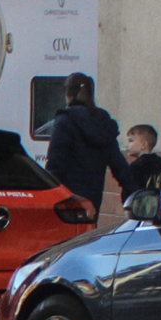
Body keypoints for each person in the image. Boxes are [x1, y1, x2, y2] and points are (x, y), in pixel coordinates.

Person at [43, 73, 134, 214]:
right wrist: (134, 192)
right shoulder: (102, 123)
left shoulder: (65, 121)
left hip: (67, 199)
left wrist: (49, 195)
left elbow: (55, 163)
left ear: (68, 95)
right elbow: (119, 165)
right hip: (93, 200)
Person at [122, 123, 161, 196]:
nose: (127, 145)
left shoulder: (136, 168)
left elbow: (128, 195)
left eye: (131, 141)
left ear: (143, 145)